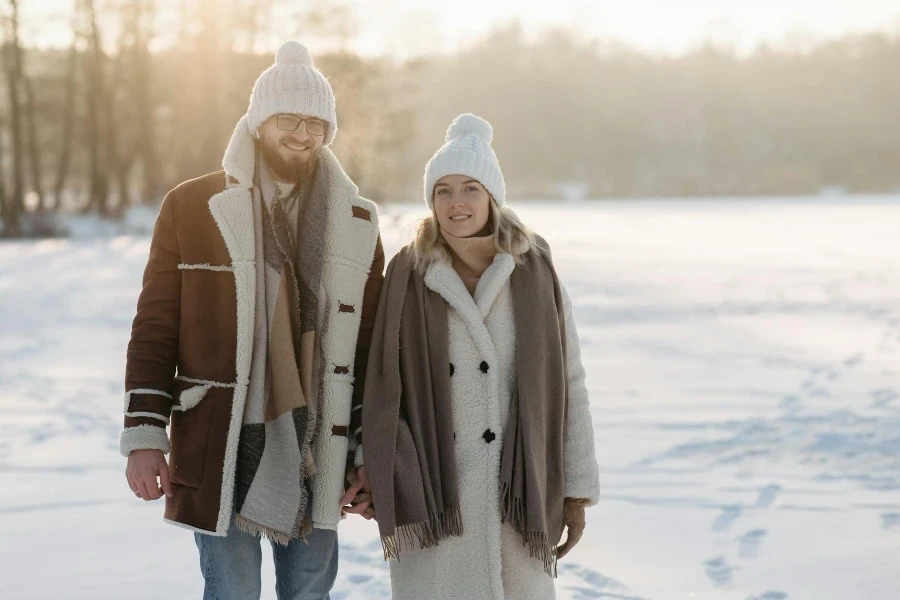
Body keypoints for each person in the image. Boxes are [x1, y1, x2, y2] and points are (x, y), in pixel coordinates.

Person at [119, 40, 384, 599]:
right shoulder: (192, 206)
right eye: (289, 118)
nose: (303, 133)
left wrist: (368, 454)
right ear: (259, 122)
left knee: (309, 594)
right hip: (219, 439)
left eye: (316, 122)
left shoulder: (357, 221)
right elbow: (155, 327)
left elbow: (368, 352)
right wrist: (146, 434)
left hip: (320, 448)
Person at [349, 113, 600, 599]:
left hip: (518, 496)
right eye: (443, 190)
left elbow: (568, 382)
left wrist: (575, 490)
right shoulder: (407, 272)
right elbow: (380, 381)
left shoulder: (535, 271)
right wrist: (370, 462)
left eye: (470, 188)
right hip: (435, 494)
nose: (456, 203)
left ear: (492, 198)